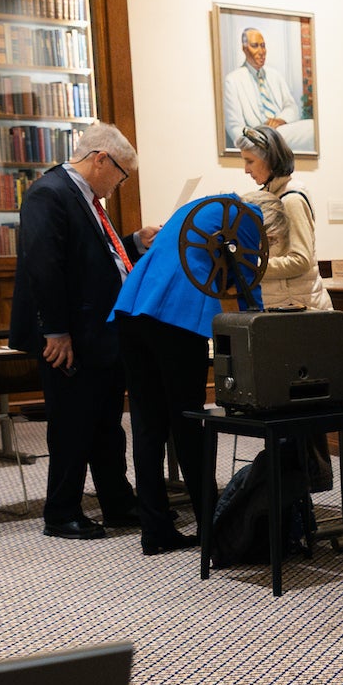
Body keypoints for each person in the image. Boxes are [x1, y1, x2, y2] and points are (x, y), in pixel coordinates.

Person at [7, 123, 142, 540]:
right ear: (101, 158)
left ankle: (117, 502)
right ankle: (61, 511)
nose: (119, 184)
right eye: (120, 174)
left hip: (96, 331)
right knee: (71, 424)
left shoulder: (80, 196)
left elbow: (91, 256)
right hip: (70, 336)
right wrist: (56, 331)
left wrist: (133, 242)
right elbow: (44, 266)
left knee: (104, 424)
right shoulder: (50, 193)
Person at [111, 193, 254, 557]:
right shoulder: (246, 218)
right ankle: (212, 527)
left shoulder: (200, 206)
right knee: (189, 423)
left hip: (131, 309)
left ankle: (155, 531)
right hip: (177, 316)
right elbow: (247, 276)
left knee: (147, 425)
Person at [237, 124, 329, 312]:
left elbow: (300, 260)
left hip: (300, 309)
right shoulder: (270, 194)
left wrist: (251, 266)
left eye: (250, 161)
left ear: (269, 160)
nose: (246, 170)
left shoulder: (292, 199)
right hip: (284, 306)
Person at [221, 26, 312, 153]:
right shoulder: (233, 80)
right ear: (244, 49)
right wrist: (257, 142)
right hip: (260, 139)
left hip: (281, 129)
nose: (261, 51)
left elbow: (292, 108)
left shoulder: (275, 75)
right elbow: (234, 126)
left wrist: (280, 120)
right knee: (311, 129)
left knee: (312, 127)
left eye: (263, 46)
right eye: (255, 46)